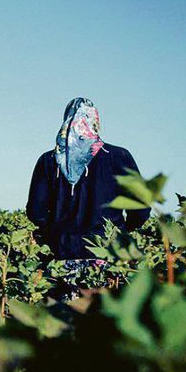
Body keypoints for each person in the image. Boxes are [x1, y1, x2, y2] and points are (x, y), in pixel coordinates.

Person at [26, 98, 150, 299]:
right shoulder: (119, 156)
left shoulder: (48, 161)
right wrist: (122, 231)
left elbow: (35, 212)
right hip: (108, 255)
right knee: (103, 324)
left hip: (61, 258)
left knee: (64, 323)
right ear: (95, 121)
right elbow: (141, 209)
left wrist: (55, 232)